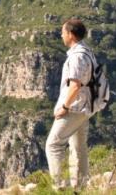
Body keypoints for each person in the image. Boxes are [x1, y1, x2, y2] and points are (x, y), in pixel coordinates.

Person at [46, 18, 96, 190]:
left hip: (74, 108)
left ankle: (60, 188)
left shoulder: (77, 56)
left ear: (70, 34)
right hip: (85, 107)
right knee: (78, 147)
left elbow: (75, 85)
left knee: (53, 145)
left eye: (63, 32)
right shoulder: (87, 52)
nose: (61, 35)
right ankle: (80, 188)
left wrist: (64, 107)